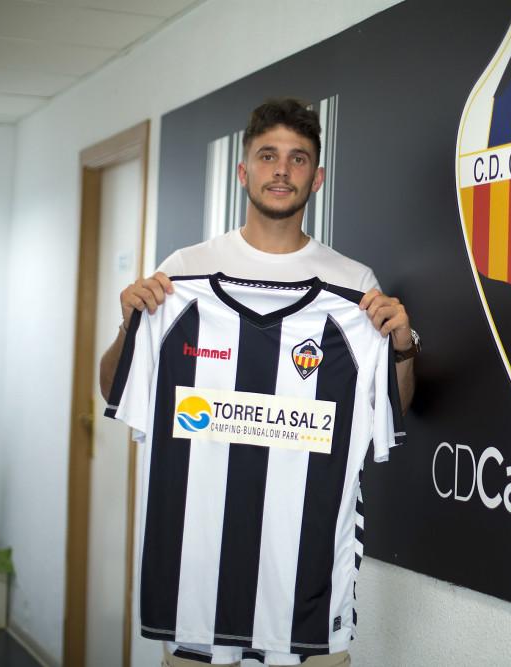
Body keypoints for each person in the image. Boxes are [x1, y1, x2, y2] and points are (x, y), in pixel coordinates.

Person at [99, 98, 418, 667]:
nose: (282, 170)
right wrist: (130, 325)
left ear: (317, 178)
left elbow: (389, 411)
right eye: (268, 156)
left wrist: (401, 349)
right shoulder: (181, 276)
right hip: (196, 598)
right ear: (243, 171)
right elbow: (114, 390)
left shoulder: (354, 288)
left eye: (298, 159)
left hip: (307, 601)